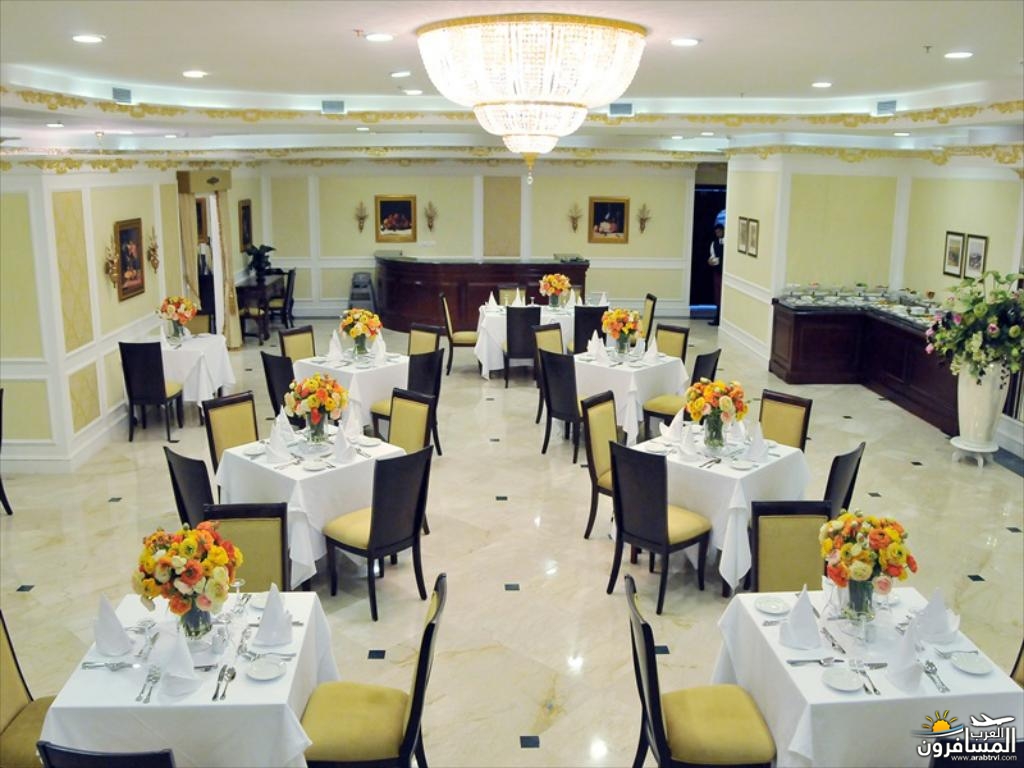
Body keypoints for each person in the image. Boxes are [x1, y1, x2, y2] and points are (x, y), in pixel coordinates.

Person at [708, 224, 725, 325]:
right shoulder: (714, 243)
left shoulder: (728, 242)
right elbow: (713, 257)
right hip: (717, 272)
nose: (718, 233)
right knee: (718, 296)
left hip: (725, 274)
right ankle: (717, 318)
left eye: (719, 231)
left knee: (723, 296)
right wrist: (711, 261)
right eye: (716, 232)